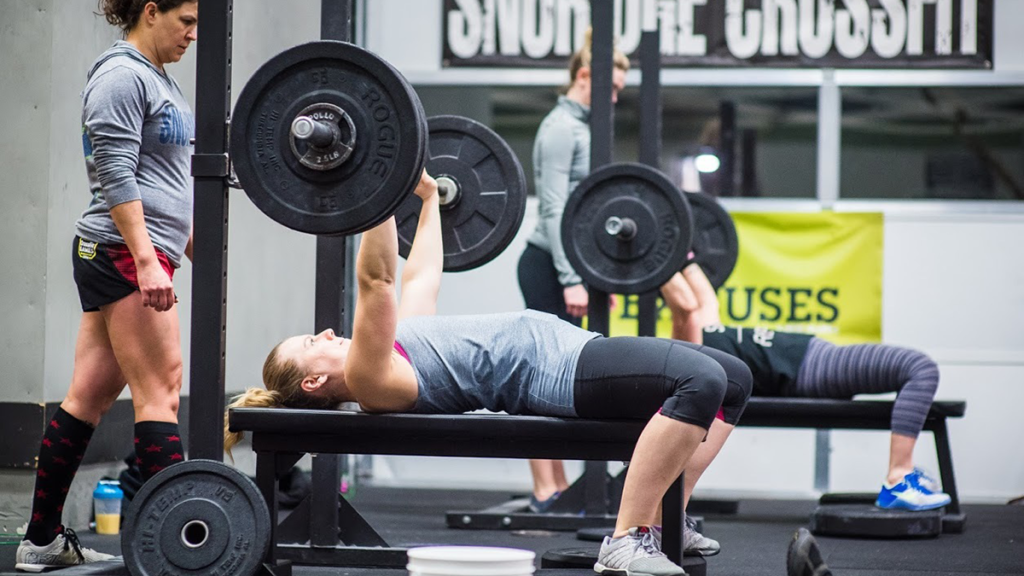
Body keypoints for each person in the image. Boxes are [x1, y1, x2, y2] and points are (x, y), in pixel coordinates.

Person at [226, 171, 753, 576]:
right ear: (315, 383)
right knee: (701, 382)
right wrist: (376, 188)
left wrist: (429, 200)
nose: (321, 334)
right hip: (556, 372)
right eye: (307, 344)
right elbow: (378, 280)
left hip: (569, 349)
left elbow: (420, 273)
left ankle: (667, 517)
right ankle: (626, 539)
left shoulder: (396, 347)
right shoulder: (371, 379)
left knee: (733, 377)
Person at [16, 1, 198, 571]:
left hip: (134, 251)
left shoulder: (154, 77)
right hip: (122, 252)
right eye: (186, 20)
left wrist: (183, 240)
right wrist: (148, 259)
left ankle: (40, 541)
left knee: (88, 398)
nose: (194, 33)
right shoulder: (121, 76)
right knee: (161, 391)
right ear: (150, 10)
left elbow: (161, 172)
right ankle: (181, 548)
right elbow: (114, 171)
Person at [661, 263, 953, 512]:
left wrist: (685, 257)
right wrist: (660, 264)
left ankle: (900, 478)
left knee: (918, 367)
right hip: (814, 368)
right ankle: (899, 479)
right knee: (920, 367)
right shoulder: (691, 351)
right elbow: (685, 305)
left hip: (816, 355)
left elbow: (705, 300)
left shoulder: (707, 329)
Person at [516, 28, 630, 523]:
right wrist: (571, 277)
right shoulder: (562, 127)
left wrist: (600, 276)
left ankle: (560, 487)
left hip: (572, 270)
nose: (615, 98)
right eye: (612, 88)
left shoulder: (586, 127)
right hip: (548, 267)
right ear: (586, 75)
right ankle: (545, 487)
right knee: (536, 375)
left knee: (564, 379)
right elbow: (555, 210)